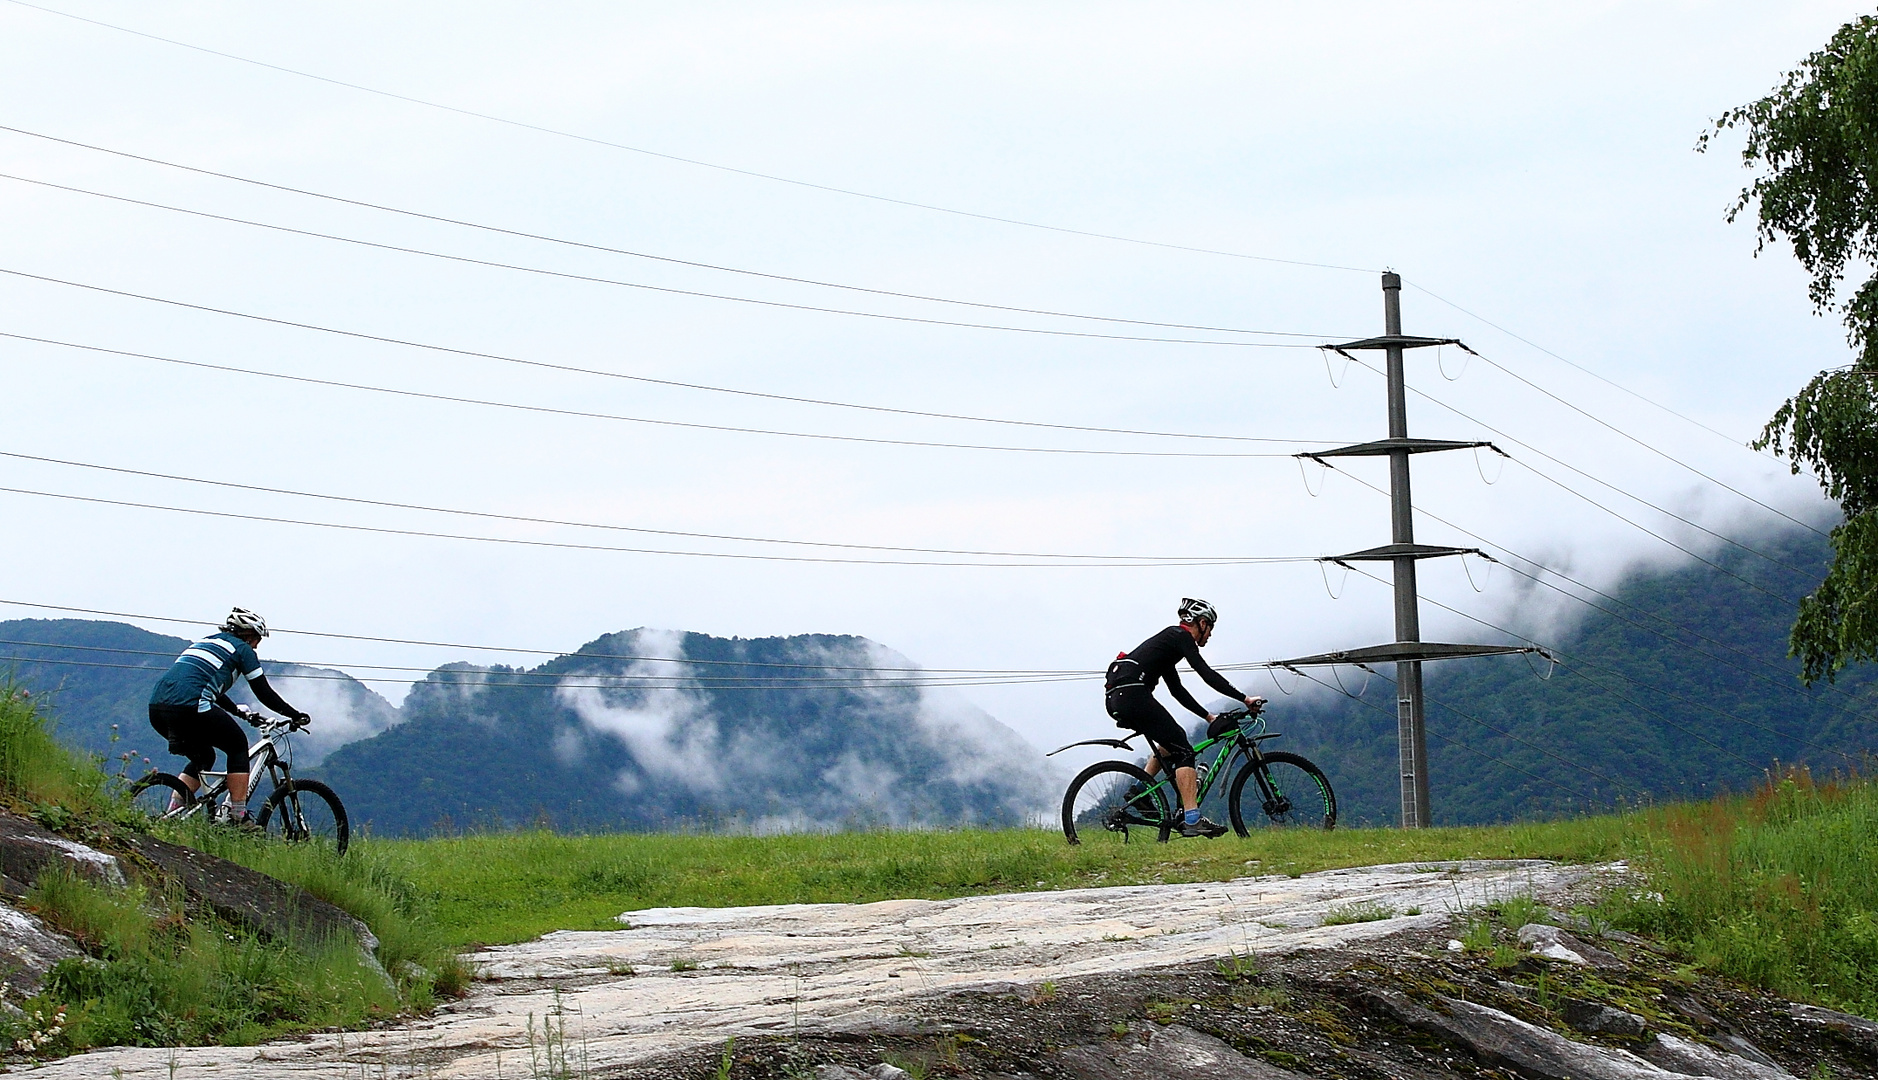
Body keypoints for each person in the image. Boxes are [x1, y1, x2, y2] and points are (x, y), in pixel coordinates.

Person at [1106, 598, 1266, 838]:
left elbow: (1177, 690)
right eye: (1210, 628)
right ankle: (1192, 818)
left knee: (1171, 742)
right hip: (1132, 694)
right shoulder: (1180, 637)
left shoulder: (1168, 645)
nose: (1210, 635)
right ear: (1201, 623)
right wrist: (1244, 698)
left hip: (1119, 698)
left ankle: (1140, 790)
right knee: (1183, 750)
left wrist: (1208, 716)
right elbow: (1206, 674)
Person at [147, 608, 310, 824]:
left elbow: (210, 689)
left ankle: (172, 814)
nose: (257, 646)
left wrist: (241, 714)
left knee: (204, 757)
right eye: (257, 640)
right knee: (237, 745)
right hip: (191, 706)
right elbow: (263, 691)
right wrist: (294, 714)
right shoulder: (243, 650)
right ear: (249, 635)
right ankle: (238, 816)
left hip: (157, 708)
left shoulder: (205, 642)